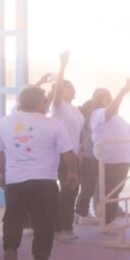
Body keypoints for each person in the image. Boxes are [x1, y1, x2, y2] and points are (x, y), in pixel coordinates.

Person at [0, 86, 79, 260]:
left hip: (15, 180)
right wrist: (72, 172)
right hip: (44, 180)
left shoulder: (5, 122)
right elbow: (67, 152)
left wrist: (3, 172)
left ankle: (10, 248)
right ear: (42, 103)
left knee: (13, 218)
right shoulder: (53, 124)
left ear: (20, 102)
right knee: (44, 221)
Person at [89, 80, 130, 226]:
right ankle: (106, 220)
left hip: (123, 159)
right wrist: (122, 91)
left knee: (115, 190)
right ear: (99, 100)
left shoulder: (116, 117)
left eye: (109, 97)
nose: (109, 100)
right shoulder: (97, 114)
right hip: (110, 160)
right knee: (109, 191)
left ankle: (109, 219)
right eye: (105, 98)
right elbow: (110, 111)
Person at [49, 52, 83, 242]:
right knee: (66, 190)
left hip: (74, 154)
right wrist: (62, 66)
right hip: (61, 154)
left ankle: (66, 226)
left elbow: (77, 133)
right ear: (61, 90)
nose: (73, 90)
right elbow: (57, 90)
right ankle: (60, 228)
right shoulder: (58, 106)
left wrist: (79, 151)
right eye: (69, 88)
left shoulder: (75, 109)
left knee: (72, 190)